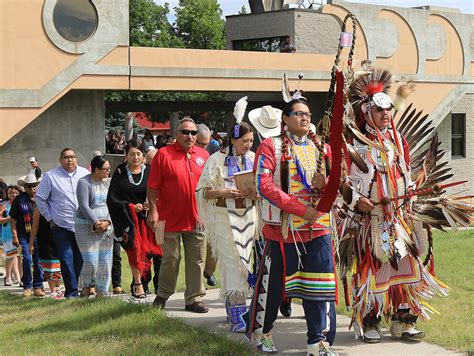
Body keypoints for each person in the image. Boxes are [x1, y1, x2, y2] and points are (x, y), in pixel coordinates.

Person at [339, 68, 449, 343]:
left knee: (406, 267)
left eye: (388, 110)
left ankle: (403, 321)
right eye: (379, 111)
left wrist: (411, 197)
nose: (385, 115)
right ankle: (370, 321)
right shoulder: (353, 143)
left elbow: (406, 172)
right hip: (369, 219)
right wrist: (357, 200)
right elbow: (340, 182)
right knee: (374, 269)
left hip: (399, 218)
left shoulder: (397, 140)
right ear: (367, 113)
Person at [246, 98, 337, 355]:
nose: (304, 118)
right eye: (297, 113)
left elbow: (336, 185)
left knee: (318, 286)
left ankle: (316, 341)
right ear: (285, 119)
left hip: (317, 228)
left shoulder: (323, 148)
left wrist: (325, 183)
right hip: (282, 230)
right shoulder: (270, 146)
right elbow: (264, 185)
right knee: (274, 287)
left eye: (307, 113)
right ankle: (264, 333)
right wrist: (300, 209)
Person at [196, 117, 258, 331]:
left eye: (251, 140)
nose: (249, 145)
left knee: (244, 264)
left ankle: (234, 306)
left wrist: (254, 194)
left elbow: (264, 190)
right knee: (233, 264)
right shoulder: (215, 159)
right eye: (245, 141)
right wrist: (221, 191)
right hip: (223, 217)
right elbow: (202, 191)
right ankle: (238, 314)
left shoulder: (253, 158)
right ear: (233, 139)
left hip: (248, 217)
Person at [147, 117, 210, 313]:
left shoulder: (204, 155)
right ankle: (163, 294)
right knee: (171, 259)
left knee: (197, 259)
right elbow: (152, 187)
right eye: (185, 132)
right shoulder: (163, 154)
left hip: (197, 218)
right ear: (176, 134)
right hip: (169, 218)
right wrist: (153, 211)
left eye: (193, 133)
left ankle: (193, 299)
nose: (189, 136)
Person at [107, 140, 162, 299]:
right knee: (136, 251)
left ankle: (158, 285)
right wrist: (131, 207)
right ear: (126, 156)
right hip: (129, 219)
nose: (135, 157)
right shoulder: (120, 173)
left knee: (157, 254)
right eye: (132, 154)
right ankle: (138, 284)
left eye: (138, 154)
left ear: (143, 156)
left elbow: (161, 192)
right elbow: (112, 198)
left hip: (151, 218)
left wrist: (151, 204)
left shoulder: (151, 171)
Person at [35, 148, 89, 298]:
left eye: (72, 157)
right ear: (60, 160)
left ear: (76, 159)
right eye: (66, 157)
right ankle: (71, 292)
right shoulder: (51, 176)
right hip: (61, 226)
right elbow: (40, 198)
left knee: (80, 259)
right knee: (66, 259)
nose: (69, 160)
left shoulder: (85, 174)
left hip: (83, 224)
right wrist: (50, 217)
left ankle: (77, 285)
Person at [75, 156, 113, 297]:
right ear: (96, 170)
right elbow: (84, 205)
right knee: (90, 260)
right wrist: (96, 222)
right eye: (106, 169)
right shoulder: (84, 182)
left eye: (109, 169)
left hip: (107, 226)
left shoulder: (109, 182)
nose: (108, 172)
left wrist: (107, 222)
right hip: (86, 226)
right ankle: (87, 285)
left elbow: (113, 203)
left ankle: (102, 290)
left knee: (105, 260)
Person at [10, 174, 45, 297]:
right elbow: (12, 219)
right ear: (25, 187)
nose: (32, 189)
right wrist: (14, 236)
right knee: (27, 259)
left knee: (38, 261)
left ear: (37, 186)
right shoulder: (19, 200)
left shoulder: (42, 198)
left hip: (39, 235)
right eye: (29, 187)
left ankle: (38, 286)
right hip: (24, 235)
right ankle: (27, 286)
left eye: (34, 186)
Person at [195, 123, 218, 287]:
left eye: (206, 143)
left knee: (213, 240)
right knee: (199, 244)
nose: (205, 146)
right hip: (194, 202)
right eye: (201, 143)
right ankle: (198, 282)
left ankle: (209, 271)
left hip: (211, 203)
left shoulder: (213, 152)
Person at [29, 207, 63, 299]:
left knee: (59, 265)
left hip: (59, 239)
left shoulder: (58, 205)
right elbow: (35, 227)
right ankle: (53, 290)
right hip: (44, 241)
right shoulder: (38, 209)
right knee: (49, 266)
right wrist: (31, 243)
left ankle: (58, 287)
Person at [0, 185, 22, 286]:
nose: (13, 195)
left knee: (18, 257)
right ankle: (8, 277)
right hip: (8, 235)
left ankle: (20, 279)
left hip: (20, 234)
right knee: (11, 256)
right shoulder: (4, 205)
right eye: (11, 193)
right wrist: (10, 219)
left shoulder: (21, 204)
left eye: (16, 193)